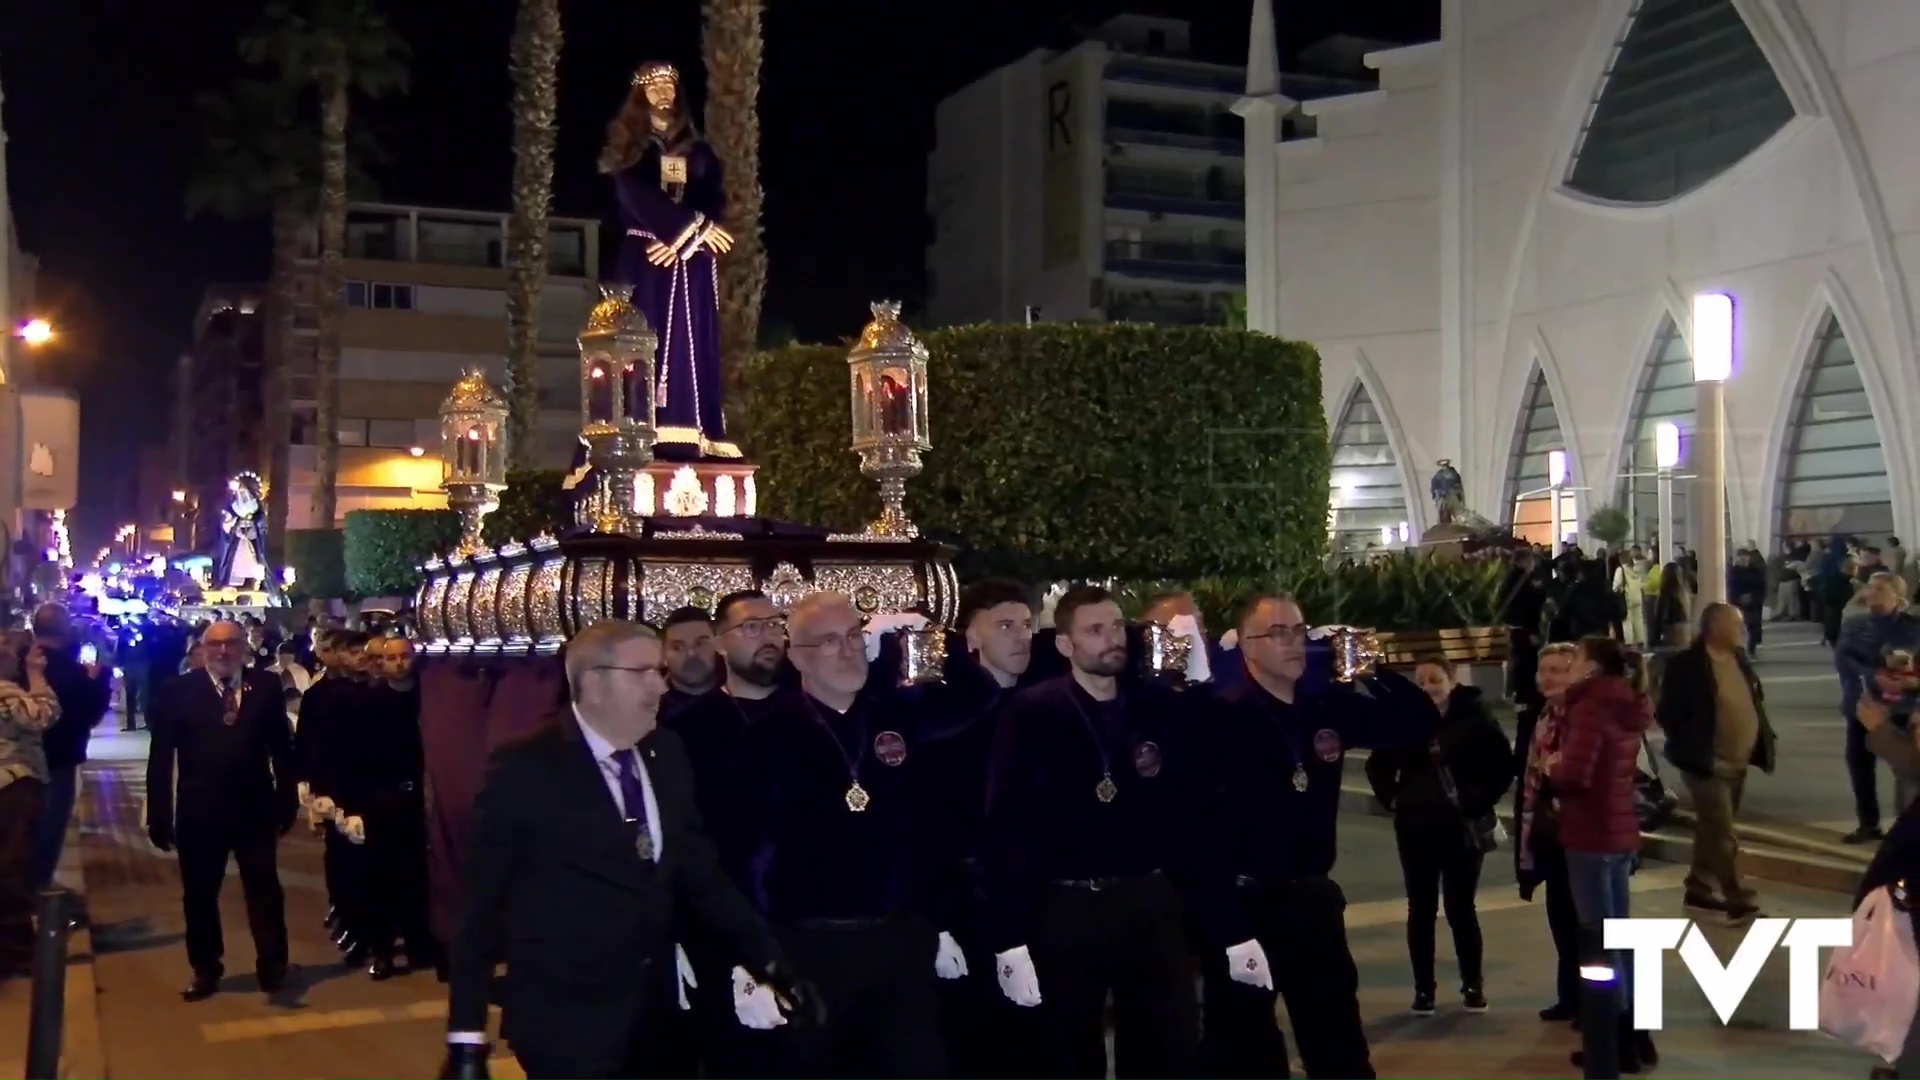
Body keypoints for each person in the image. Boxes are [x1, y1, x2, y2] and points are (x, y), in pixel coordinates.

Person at [441, 619, 799, 1080]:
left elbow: (702, 877)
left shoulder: (666, 753)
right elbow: (481, 907)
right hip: (566, 1023)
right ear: (593, 681)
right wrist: (466, 1037)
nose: (660, 686)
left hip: (656, 1018)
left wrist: (771, 961)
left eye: (660, 673)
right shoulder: (526, 768)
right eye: (644, 673)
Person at [983, 584, 1224, 1080]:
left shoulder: (1153, 706)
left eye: (1117, 626)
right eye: (1095, 630)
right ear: (1066, 645)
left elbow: (1191, 803)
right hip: (1067, 908)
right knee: (1070, 1052)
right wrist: (1009, 937)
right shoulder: (1032, 713)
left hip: (1148, 901)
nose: (1112, 639)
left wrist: (1198, 686)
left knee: (1168, 1045)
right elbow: (1007, 824)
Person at [1193, 594, 1434, 1080]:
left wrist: (1371, 670)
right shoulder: (1224, 717)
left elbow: (1418, 721)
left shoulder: (1326, 706)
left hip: (1313, 898)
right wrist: (1226, 925)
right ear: (1248, 647)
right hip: (1247, 903)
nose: (1294, 644)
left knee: (1338, 1041)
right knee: (1244, 1046)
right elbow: (1202, 830)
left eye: (1300, 632)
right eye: (1277, 633)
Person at [733, 592, 957, 1079]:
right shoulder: (766, 735)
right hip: (810, 948)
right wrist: (751, 960)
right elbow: (744, 856)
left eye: (855, 636)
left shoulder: (894, 717)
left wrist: (929, 638)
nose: (849, 649)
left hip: (898, 938)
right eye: (830, 641)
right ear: (797, 657)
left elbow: (924, 829)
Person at [144, 620, 297, 1000]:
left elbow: (281, 747)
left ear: (244, 646)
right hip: (200, 809)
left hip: (254, 807)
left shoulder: (264, 686)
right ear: (203, 648)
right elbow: (161, 756)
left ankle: (273, 965)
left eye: (231, 643)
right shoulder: (178, 691)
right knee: (199, 894)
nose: (224, 652)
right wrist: (159, 812)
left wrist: (288, 797)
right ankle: (205, 968)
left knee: (264, 890)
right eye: (216, 645)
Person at [598, 61, 740, 461]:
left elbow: (714, 200)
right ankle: (638, 434)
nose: (664, 93)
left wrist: (686, 240)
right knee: (644, 342)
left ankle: (701, 433)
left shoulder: (699, 151)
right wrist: (679, 230)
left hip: (691, 264)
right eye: (654, 86)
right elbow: (631, 192)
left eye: (669, 85)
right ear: (641, 96)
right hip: (646, 259)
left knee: (694, 344)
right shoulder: (628, 148)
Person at [1364, 655, 1514, 1015]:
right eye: (1420, 681)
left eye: (1434, 680)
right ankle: (1424, 990)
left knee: (1461, 907)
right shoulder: (1406, 720)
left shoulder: (1475, 718)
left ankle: (1472, 984)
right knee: (1421, 909)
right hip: (1416, 828)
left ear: (1452, 681)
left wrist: (1475, 800)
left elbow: (1500, 765)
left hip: (1460, 828)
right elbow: (1378, 764)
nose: (1428, 688)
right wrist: (1396, 799)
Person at [1549, 636, 1657, 1072]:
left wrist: (1552, 768)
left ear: (1591, 668)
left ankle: (1610, 1046)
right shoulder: (1624, 701)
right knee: (1619, 937)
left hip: (1591, 832)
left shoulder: (1590, 705)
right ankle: (1633, 1037)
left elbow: (1577, 772)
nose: (1568, 668)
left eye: (1573, 660)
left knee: (1598, 943)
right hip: (1618, 830)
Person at [1656, 603, 1776, 920]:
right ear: (1714, 628)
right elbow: (1668, 713)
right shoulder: (1687, 666)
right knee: (1723, 831)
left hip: (1737, 760)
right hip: (1705, 763)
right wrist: (1692, 744)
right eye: (1736, 625)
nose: (1742, 630)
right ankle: (1738, 895)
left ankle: (1699, 886)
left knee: (1712, 829)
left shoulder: (1739, 660)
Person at [1513, 642, 1583, 1022]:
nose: (1549, 678)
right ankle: (1570, 996)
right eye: (1545, 670)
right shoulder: (1543, 717)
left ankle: (1599, 1007)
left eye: (1558, 669)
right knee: (1561, 918)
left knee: (1586, 925)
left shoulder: (1582, 717)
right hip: (1550, 833)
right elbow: (1530, 782)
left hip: (1583, 835)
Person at [27, 602, 113, 892]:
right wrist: (98, 681)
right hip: (58, 760)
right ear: (66, 631)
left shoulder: (18, 663)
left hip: (18, 761)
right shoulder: (73, 673)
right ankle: (36, 893)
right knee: (48, 831)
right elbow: (88, 715)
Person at [1838, 572, 1920, 843]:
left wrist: (1909, 682)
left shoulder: (1913, 626)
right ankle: (1868, 823)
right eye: (1870, 588)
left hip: (1903, 707)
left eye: (1880, 589)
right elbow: (1844, 660)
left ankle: (1907, 828)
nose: (1872, 593)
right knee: (1859, 764)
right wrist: (1875, 676)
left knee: (1906, 769)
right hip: (1864, 706)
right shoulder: (1854, 623)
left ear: (1897, 596)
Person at [0, 640, 58, 976]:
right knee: (12, 866)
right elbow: (44, 715)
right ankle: (17, 949)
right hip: (13, 786)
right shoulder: (7, 693)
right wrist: (37, 678)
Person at [661, 605, 720, 717]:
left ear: (718, 645)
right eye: (678, 647)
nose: (691, 654)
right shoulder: (647, 706)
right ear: (663, 653)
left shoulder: (744, 699)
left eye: (700, 644)